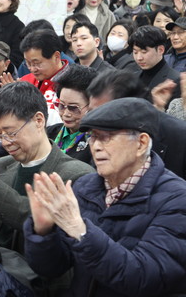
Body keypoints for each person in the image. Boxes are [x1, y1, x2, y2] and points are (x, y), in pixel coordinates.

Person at [24, 97, 186, 297]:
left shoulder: (177, 199)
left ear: (141, 143)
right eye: (93, 137)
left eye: (106, 137)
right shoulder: (85, 186)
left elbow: (144, 277)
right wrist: (43, 232)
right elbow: (52, 268)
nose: (96, 146)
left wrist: (80, 231)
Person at [0, 81, 93, 251]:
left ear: (39, 120)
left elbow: (42, 224)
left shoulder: (77, 175)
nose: (5, 142)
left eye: (11, 133)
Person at [46, 64, 97, 164]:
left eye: (73, 108)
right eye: (61, 105)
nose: (66, 113)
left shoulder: (96, 142)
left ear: (92, 105)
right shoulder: (48, 133)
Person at [18, 28, 69, 113]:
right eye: (28, 63)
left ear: (56, 57)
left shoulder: (73, 84)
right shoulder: (24, 82)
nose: (32, 69)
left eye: (36, 63)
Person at [130, 25, 180, 104]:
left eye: (144, 52)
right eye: (135, 52)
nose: (139, 57)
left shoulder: (175, 81)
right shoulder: (132, 78)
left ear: (161, 50)